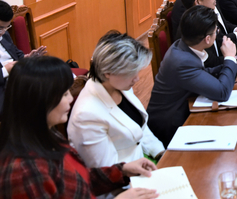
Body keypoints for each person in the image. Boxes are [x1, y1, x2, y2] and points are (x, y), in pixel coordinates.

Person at [0, 56, 158, 199]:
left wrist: (122, 171)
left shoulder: (47, 135)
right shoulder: (24, 172)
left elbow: (76, 179)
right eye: (64, 94)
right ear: (39, 101)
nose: (70, 99)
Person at [68, 32, 165, 171]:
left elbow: (139, 128)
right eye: (131, 72)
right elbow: (106, 171)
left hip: (141, 163)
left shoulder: (118, 85)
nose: (137, 78)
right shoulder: (87, 115)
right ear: (108, 72)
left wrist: (159, 152)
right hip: (122, 183)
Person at [147, 5, 237, 147]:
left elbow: (201, 75)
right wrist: (229, 58)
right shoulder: (183, 62)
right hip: (170, 129)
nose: (218, 34)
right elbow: (222, 93)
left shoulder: (182, 45)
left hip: (185, 111)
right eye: (217, 31)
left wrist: (233, 63)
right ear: (208, 39)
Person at [0, 0, 46, 114]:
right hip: (3, 86)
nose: (3, 32)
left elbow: (16, 53)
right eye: (0, 28)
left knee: (52, 81)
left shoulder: (4, 33)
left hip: (18, 76)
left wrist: (27, 57)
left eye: (6, 27)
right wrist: (6, 70)